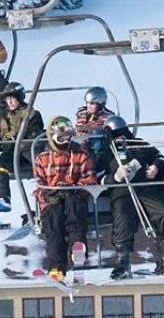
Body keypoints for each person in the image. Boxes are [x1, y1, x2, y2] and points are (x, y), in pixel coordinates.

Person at [96, 115, 164, 279]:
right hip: (122, 190)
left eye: (123, 133)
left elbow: (159, 157)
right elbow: (98, 178)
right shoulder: (105, 154)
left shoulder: (139, 144)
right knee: (122, 216)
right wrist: (116, 177)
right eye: (116, 135)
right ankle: (123, 259)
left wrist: (155, 167)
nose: (120, 138)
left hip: (146, 186)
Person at [33, 115, 97, 281]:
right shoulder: (42, 158)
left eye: (67, 138)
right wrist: (49, 194)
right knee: (54, 222)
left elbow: (89, 179)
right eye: (60, 138)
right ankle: (56, 268)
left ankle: (78, 252)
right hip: (51, 199)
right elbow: (40, 183)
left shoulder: (81, 155)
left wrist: (73, 188)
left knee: (74, 208)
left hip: (74, 195)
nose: (64, 142)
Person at [0, 82, 44, 212]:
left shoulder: (32, 114)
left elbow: (34, 131)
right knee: (0, 165)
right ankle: (4, 198)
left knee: (42, 166)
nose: (10, 102)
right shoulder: (2, 115)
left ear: (19, 98)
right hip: (11, 151)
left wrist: (17, 137)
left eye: (13, 98)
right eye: (8, 98)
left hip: (27, 150)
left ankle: (48, 196)